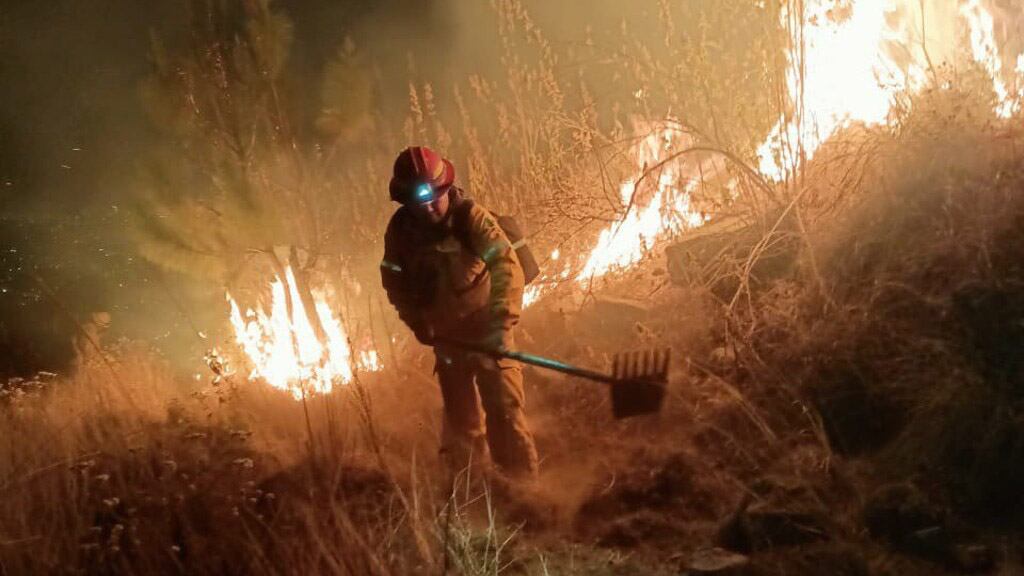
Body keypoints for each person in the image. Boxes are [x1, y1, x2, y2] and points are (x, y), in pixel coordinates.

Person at [380, 145, 539, 480]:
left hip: (488, 327)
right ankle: (472, 493)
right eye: (417, 201)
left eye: (435, 196)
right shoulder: (400, 234)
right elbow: (394, 283)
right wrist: (418, 324)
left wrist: (501, 321)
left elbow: (507, 265)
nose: (428, 206)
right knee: (461, 426)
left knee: (505, 413)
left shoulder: (471, 217)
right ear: (404, 200)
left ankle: (523, 492)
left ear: (446, 187)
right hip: (448, 340)